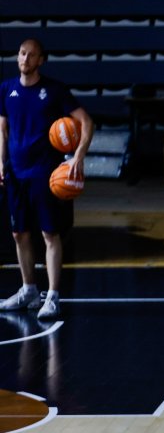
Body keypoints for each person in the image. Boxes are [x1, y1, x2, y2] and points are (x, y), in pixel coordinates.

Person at [0, 38, 92, 320]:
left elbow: (87, 122)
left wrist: (77, 156)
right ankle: (28, 289)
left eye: (31, 55)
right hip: (15, 173)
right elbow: (2, 128)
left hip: (44, 174)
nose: (25, 59)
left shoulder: (54, 91)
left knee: (49, 235)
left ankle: (52, 296)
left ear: (41, 60)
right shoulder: (6, 89)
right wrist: (0, 161)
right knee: (19, 234)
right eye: (22, 53)